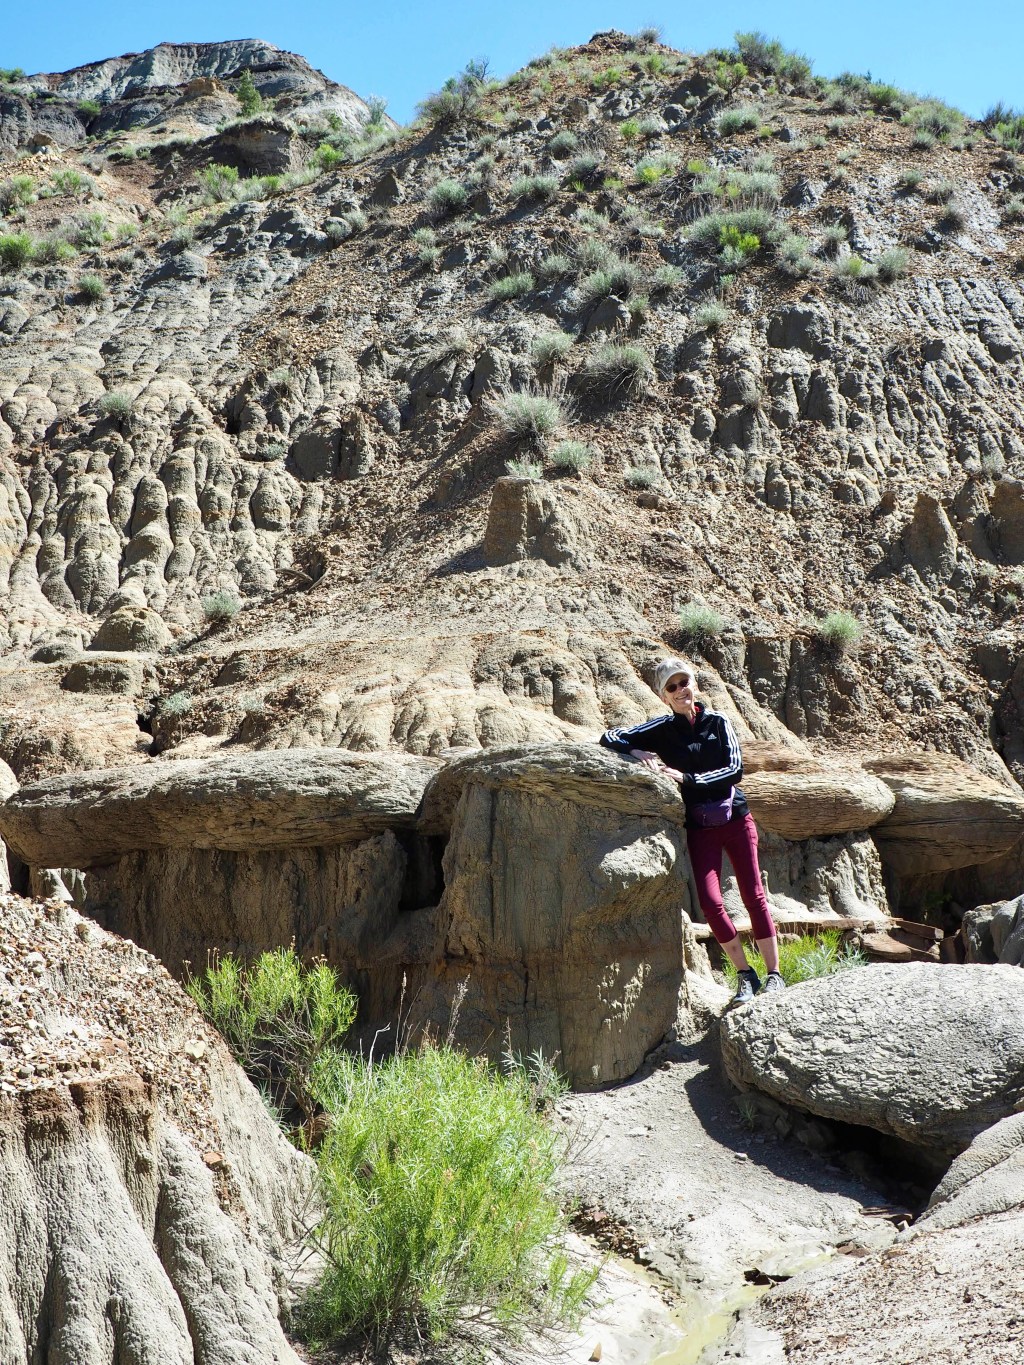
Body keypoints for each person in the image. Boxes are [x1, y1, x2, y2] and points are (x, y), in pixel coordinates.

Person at [599, 656, 783, 1004]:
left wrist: (688, 779)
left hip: (736, 819)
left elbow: (735, 769)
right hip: (700, 827)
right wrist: (639, 751)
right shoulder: (662, 730)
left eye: (684, 682)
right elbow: (609, 737)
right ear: (664, 696)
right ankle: (746, 975)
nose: (681, 689)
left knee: (754, 897)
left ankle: (775, 975)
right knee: (712, 904)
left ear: (693, 684)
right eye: (672, 687)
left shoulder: (718, 721)